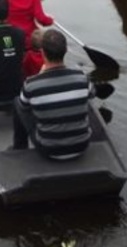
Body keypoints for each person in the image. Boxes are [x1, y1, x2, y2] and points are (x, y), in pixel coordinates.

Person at [12, 29, 93, 160]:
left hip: (49, 149)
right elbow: (92, 94)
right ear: (66, 50)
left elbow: (24, 107)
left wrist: (40, 77)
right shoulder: (82, 77)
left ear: (43, 52)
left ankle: (19, 147)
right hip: (82, 145)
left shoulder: (31, 84)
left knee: (17, 103)